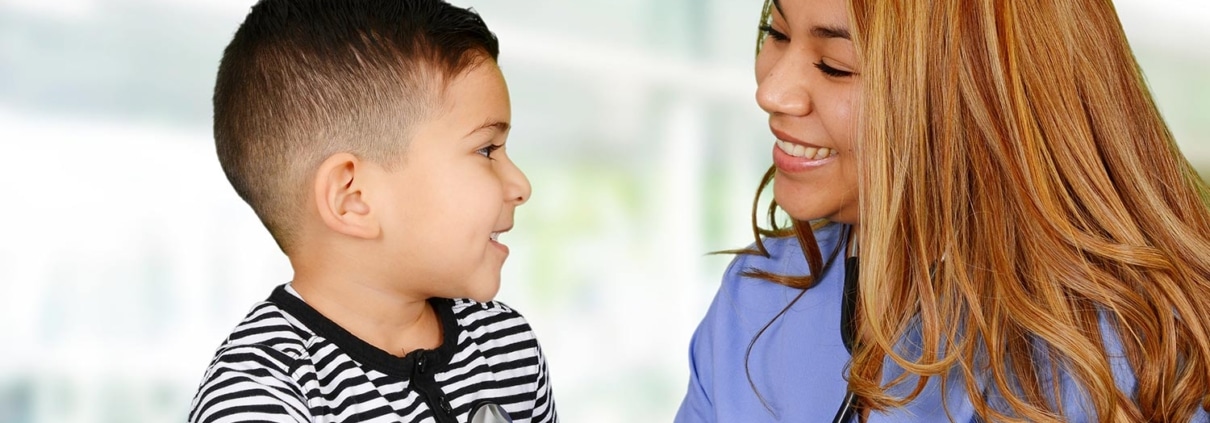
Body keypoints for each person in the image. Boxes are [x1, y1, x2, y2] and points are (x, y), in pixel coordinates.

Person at [675, 0, 1210, 421]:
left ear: (977, 94)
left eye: (835, 66)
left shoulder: (1116, 356)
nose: (773, 91)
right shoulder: (757, 299)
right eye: (777, 33)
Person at [187, 0, 557, 422]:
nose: (520, 186)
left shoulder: (506, 346)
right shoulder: (259, 395)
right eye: (486, 149)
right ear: (353, 198)